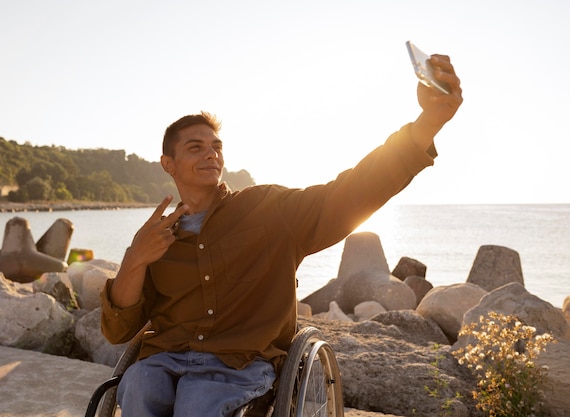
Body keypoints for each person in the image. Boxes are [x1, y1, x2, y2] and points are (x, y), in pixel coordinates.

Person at [100, 53, 463, 417]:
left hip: (240, 365)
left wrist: (426, 125)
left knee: (197, 399)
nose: (211, 154)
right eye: (196, 147)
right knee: (139, 384)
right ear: (169, 164)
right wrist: (135, 259)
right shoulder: (156, 237)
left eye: (216, 147)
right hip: (165, 361)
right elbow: (119, 330)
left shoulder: (268, 210)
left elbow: (350, 192)